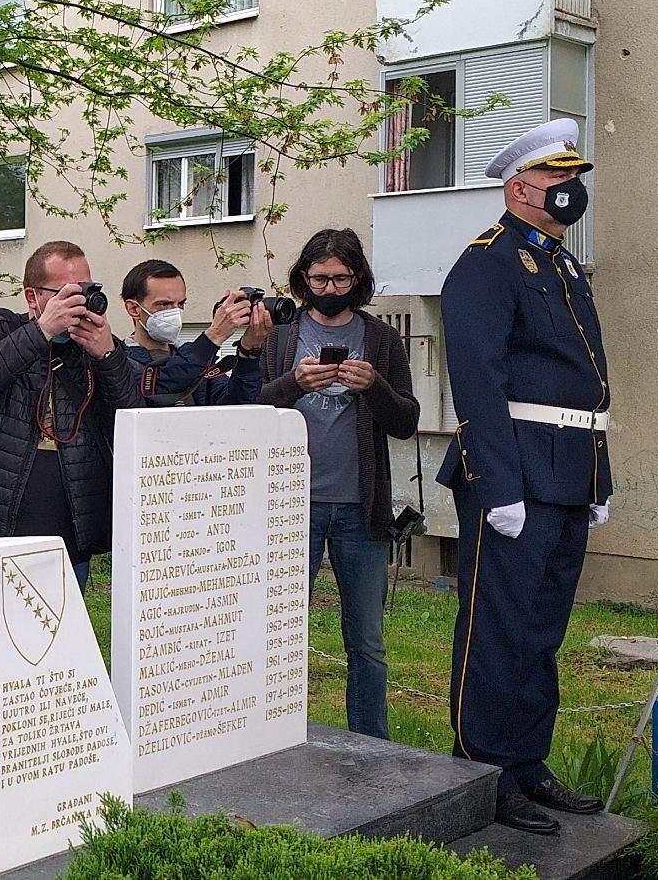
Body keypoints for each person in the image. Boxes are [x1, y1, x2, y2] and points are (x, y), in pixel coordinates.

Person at [436, 118, 611, 835]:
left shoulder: (563, 266)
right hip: (514, 475)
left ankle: (528, 760)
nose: (572, 191)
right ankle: (485, 769)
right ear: (520, 188)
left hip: (567, 472)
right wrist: (499, 485)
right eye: (558, 180)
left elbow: (587, 387)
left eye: (576, 179)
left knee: (542, 629)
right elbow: (478, 380)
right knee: (498, 628)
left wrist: (599, 479)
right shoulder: (488, 262)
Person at [256, 229, 417, 741]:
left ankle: (372, 743)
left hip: (360, 509)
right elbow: (246, 411)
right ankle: (272, 735)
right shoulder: (281, 337)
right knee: (279, 632)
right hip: (288, 505)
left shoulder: (382, 339)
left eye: (340, 278)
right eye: (320, 278)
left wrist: (375, 387)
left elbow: (407, 420)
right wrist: (293, 385)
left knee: (367, 641)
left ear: (358, 279)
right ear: (303, 279)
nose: (329, 287)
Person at [0, 240, 141, 587]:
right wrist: (41, 332)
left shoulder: (95, 344)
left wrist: (107, 356)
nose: (77, 305)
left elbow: (131, 421)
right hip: (0, 506)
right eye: (65, 295)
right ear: (32, 297)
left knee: (65, 625)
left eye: (84, 291)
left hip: (73, 508)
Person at [119, 258, 271, 405]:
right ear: (134, 309)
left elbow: (236, 404)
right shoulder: (118, 361)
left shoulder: (192, 357)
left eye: (180, 304)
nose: (175, 312)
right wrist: (214, 335)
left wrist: (249, 351)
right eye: (164, 304)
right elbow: (165, 383)